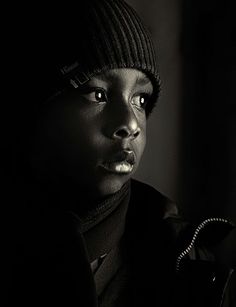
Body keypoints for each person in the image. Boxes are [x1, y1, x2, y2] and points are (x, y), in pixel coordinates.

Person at [3, 0, 235, 306]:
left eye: (140, 99)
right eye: (99, 95)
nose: (130, 124)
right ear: (39, 109)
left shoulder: (184, 261)